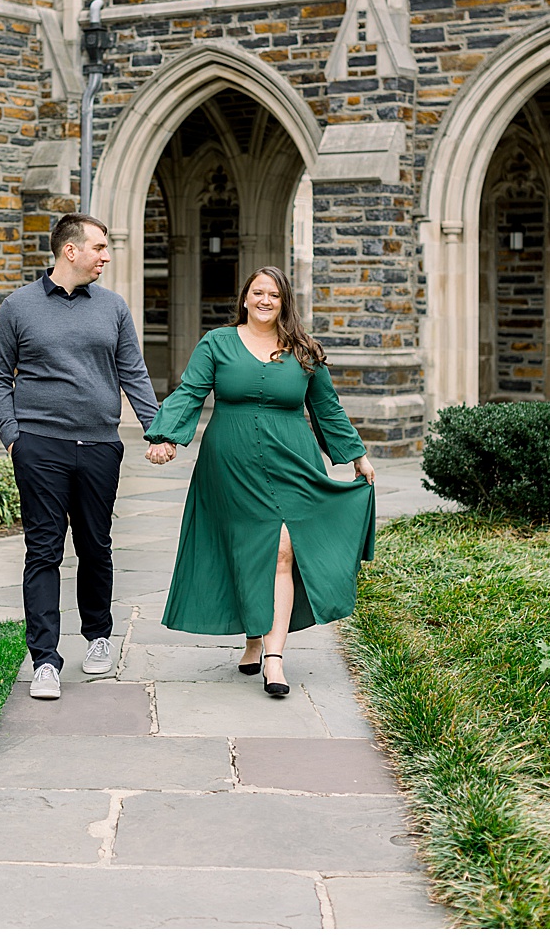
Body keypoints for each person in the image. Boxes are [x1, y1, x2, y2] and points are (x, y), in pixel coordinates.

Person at [144, 265, 376, 698]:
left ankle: (274, 656)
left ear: (285, 301)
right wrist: (165, 436)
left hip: (292, 461)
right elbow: (191, 391)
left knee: (284, 548)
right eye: (257, 292)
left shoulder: (304, 351)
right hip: (230, 464)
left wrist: (357, 456)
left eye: (274, 294)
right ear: (245, 298)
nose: (265, 300)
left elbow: (327, 408)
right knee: (248, 548)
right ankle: (254, 638)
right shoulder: (217, 342)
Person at [0, 213, 162, 701]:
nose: (106, 256)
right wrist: (12, 435)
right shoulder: (18, 306)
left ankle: (98, 637)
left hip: (100, 445)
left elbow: (133, 372)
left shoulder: (113, 307)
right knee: (43, 550)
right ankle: (45, 660)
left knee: (95, 545)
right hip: (40, 446)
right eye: (99, 247)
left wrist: (157, 430)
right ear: (70, 250)